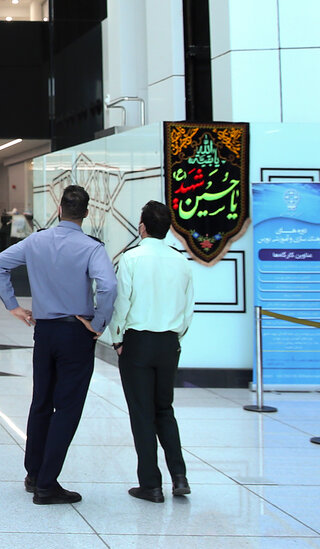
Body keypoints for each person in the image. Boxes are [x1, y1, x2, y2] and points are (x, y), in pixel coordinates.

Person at [0, 184, 117, 505]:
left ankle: (34, 474)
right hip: (76, 332)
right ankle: (47, 484)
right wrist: (99, 324)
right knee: (68, 407)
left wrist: (13, 306)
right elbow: (108, 286)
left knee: (42, 402)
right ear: (86, 213)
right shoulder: (92, 248)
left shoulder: (37, 240)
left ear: (59, 210)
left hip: (44, 332)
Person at [105, 200, 195, 503]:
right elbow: (188, 307)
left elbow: (122, 303)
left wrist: (117, 339)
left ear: (142, 227)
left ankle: (151, 485)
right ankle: (179, 476)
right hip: (169, 343)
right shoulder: (181, 261)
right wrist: (175, 337)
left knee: (142, 413)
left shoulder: (131, 258)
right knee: (164, 409)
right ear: (167, 229)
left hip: (138, 342)